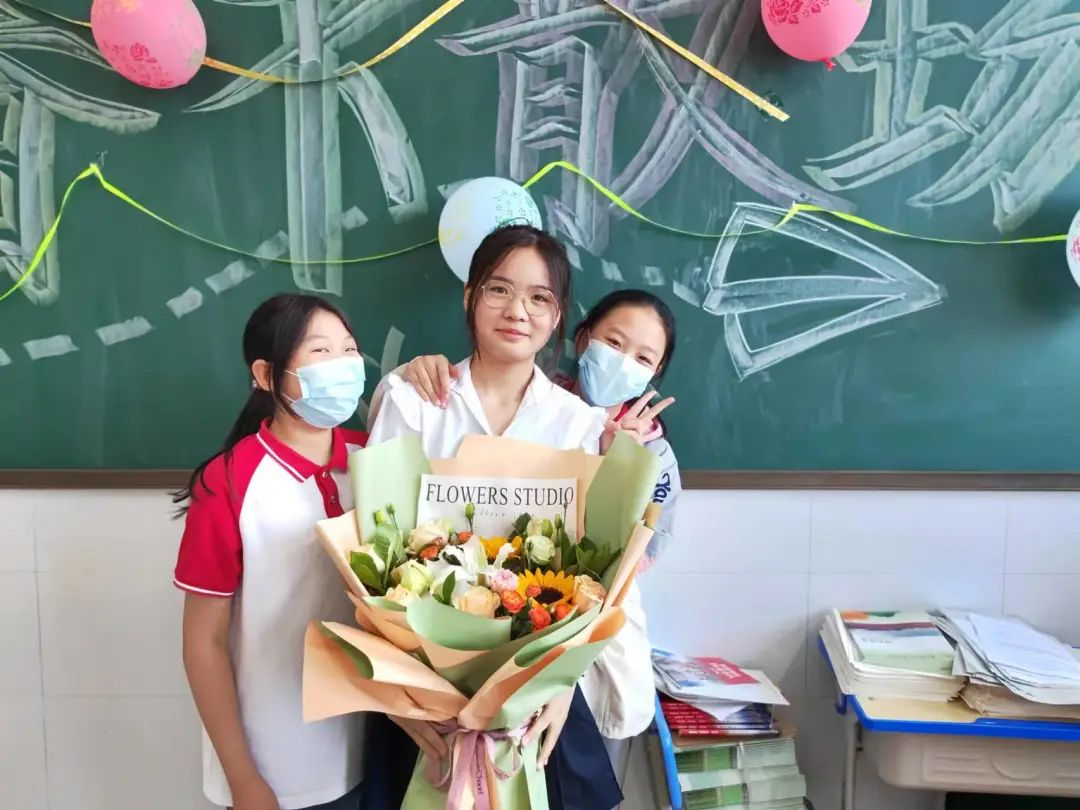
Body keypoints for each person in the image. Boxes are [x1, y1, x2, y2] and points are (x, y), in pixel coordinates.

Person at [365, 225, 663, 810]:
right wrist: (402, 691)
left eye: (539, 297)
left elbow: (595, 575)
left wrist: (562, 684)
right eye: (499, 289)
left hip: (540, 695)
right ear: (469, 296)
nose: (517, 311)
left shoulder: (578, 425)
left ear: (558, 316)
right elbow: (374, 547)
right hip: (422, 692)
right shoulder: (413, 403)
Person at [172, 293, 370, 810]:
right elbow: (203, 644)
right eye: (320, 352)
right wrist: (244, 779)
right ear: (266, 375)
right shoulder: (228, 483)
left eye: (349, 349)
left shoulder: (375, 456)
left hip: (369, 747)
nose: (342, 365)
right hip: (277, 765)